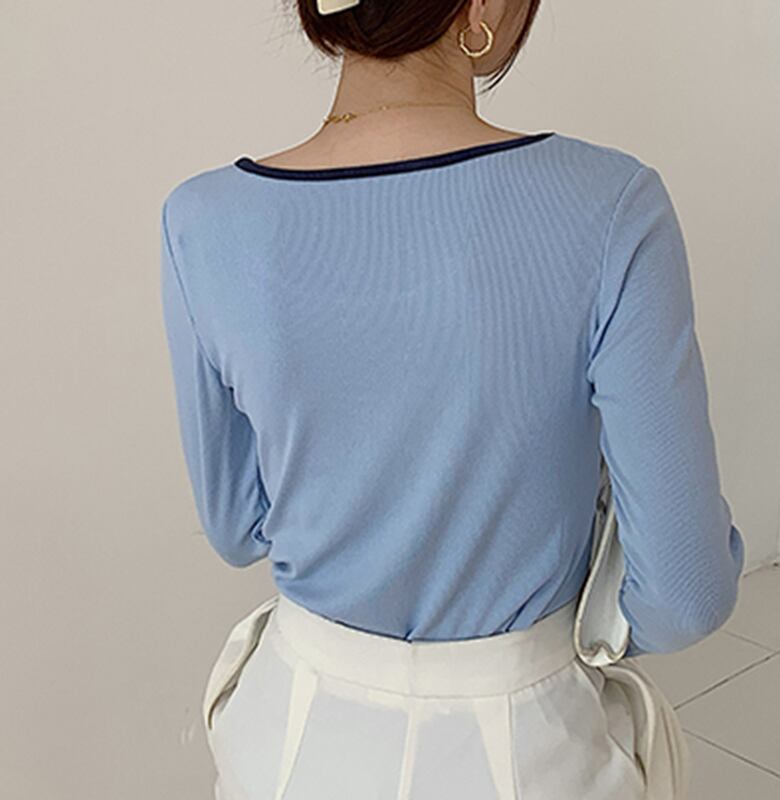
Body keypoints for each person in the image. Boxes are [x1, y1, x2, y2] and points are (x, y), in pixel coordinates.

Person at [159, 0, 746, 797]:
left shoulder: (202, 219)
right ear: (486, 5)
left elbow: (236, 528)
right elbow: (685, 594)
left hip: (295, 737)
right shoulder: (612, 204)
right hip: (528, 745)